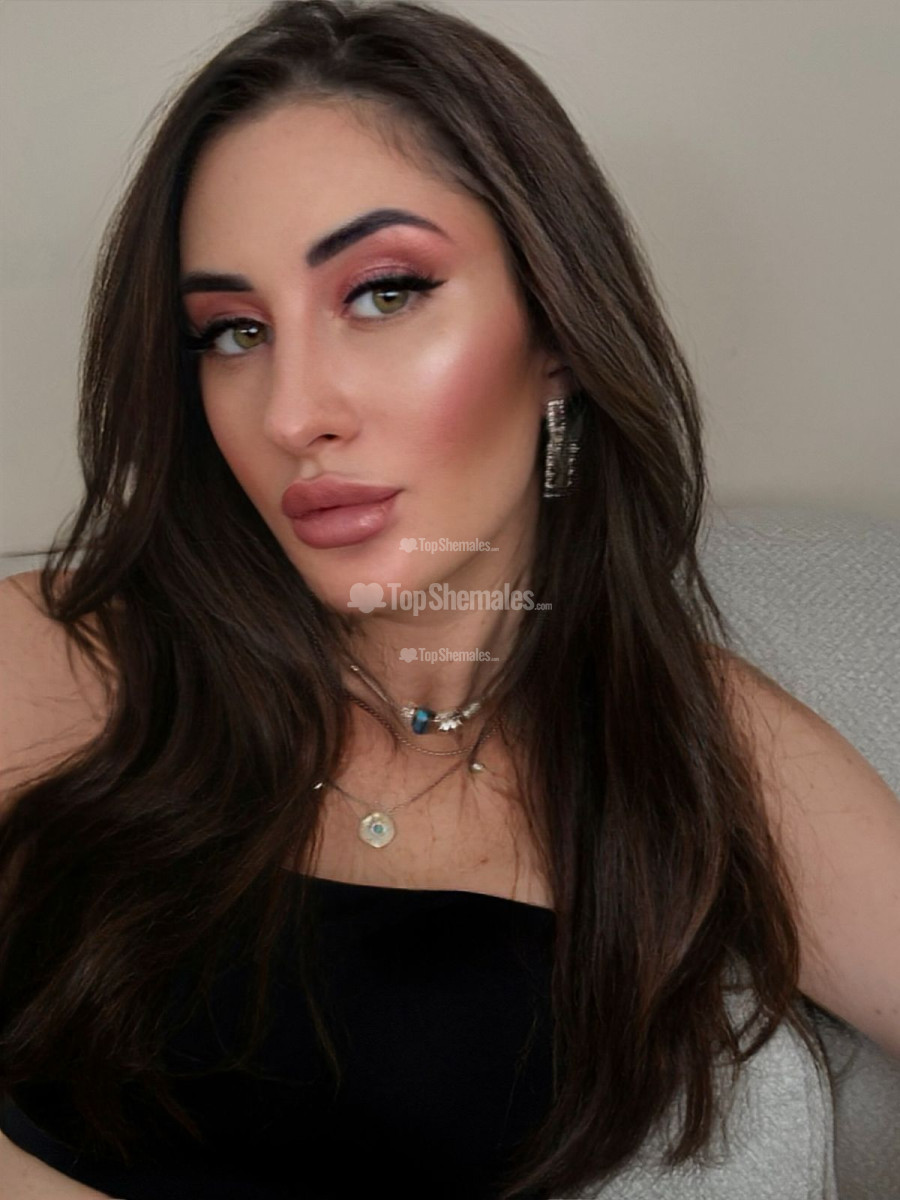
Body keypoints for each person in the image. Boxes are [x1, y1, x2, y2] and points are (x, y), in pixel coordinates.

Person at [0, 1, 898, 1197]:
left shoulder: (683, 739)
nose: (292, 414)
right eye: (234, 331)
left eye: (383, 293)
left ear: (557, 332)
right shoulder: (59, 656)